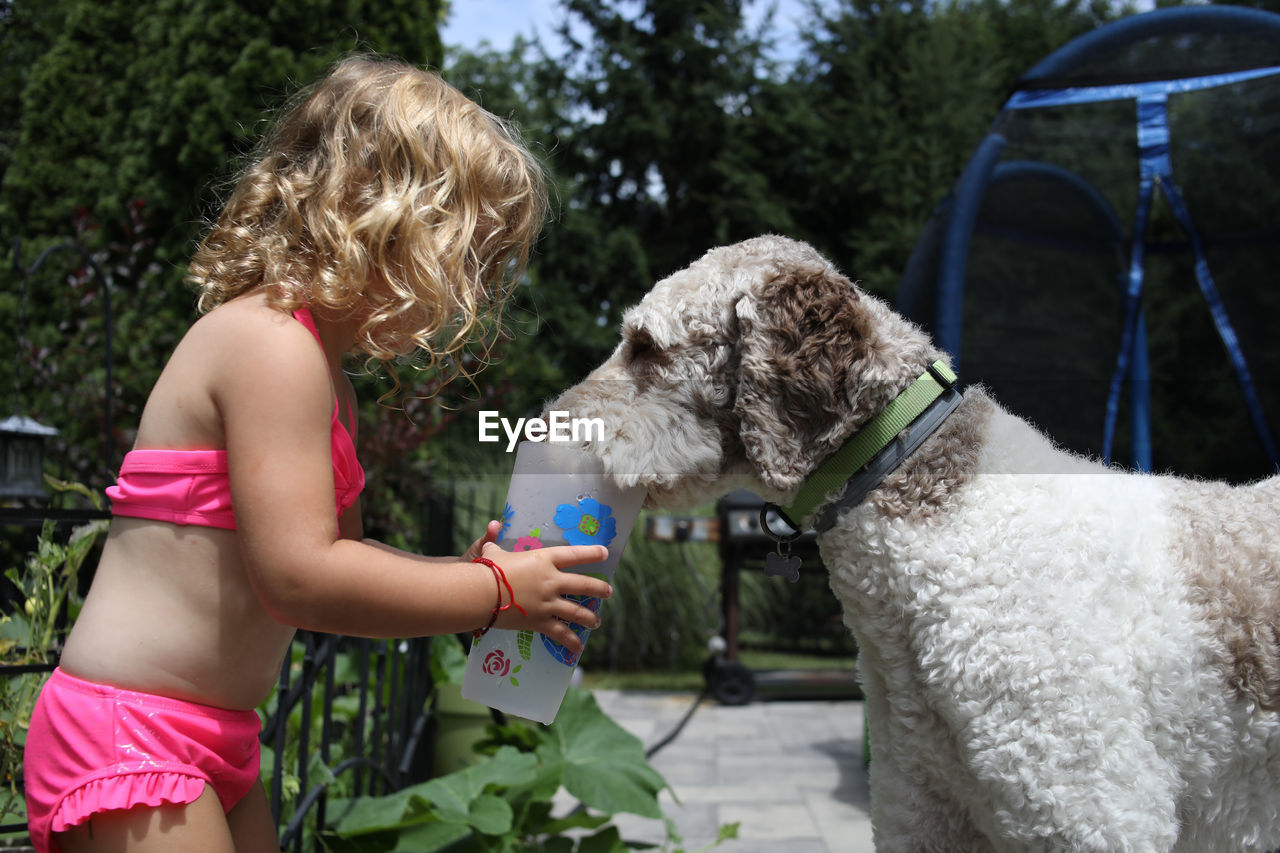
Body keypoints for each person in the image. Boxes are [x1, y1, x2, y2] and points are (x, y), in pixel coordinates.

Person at [23, 55, 612, 853]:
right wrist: (490, 591)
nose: (464, 292)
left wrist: (467, 580)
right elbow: (299, 577)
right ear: (378, 212)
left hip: (216, 735)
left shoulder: (326, 379)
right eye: (462, 253)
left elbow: (341, 557)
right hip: (134, 733)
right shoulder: (270, 346)